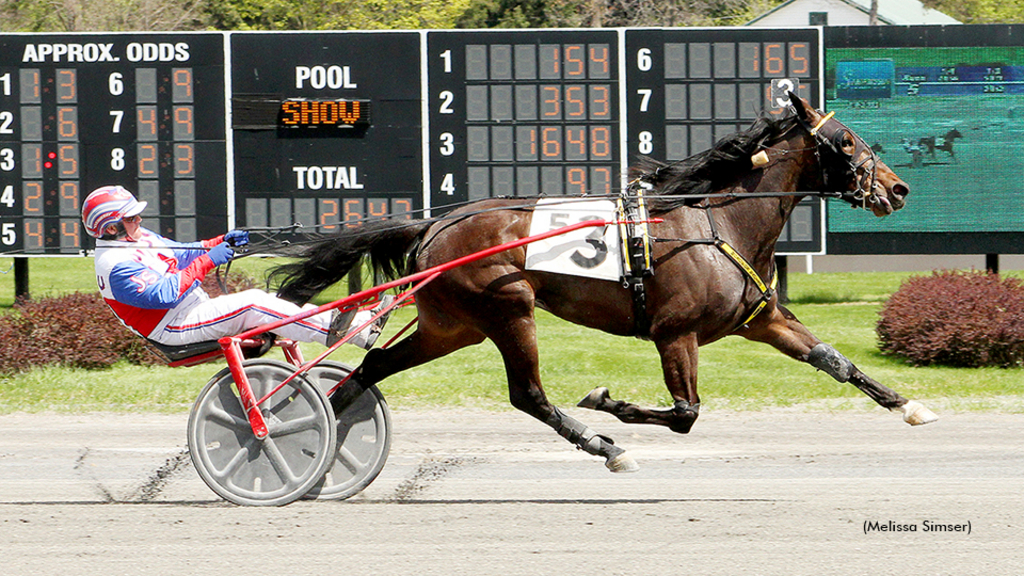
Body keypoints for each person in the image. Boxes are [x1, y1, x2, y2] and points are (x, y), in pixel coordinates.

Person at [82, 185, 391, 350]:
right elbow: (165, 294)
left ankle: (352, 324)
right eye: (131, 217)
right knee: (253, 302)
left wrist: (218, 243)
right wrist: (209, 260)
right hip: (172, 326)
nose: (139, 220)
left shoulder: (137, 237)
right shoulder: (114, 265)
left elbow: (180, 254)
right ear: (110, 228)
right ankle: (352, 331)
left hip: (190, 309)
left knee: (267, 300)